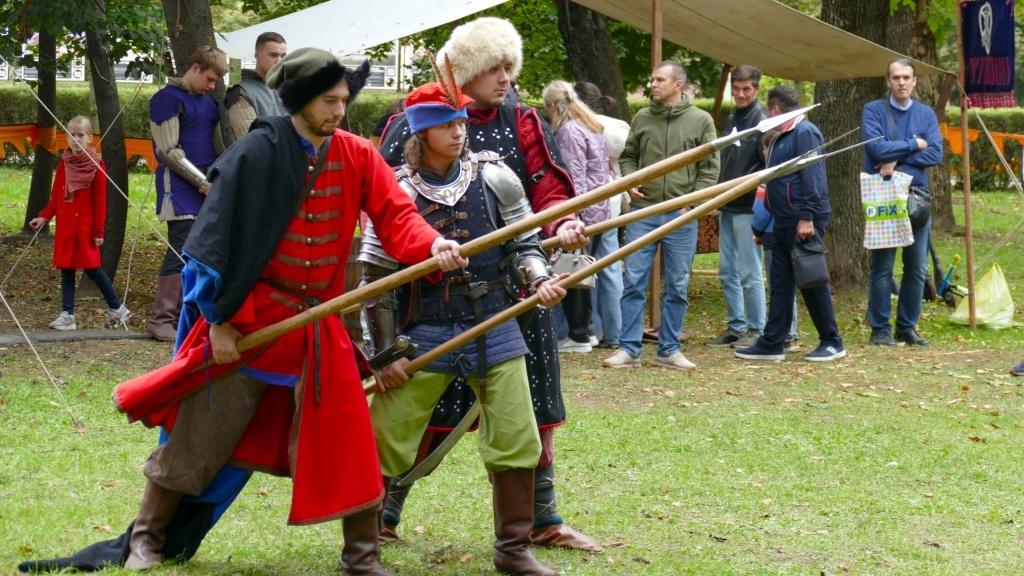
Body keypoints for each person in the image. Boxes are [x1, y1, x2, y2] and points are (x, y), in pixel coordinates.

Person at [108, 48, 466, 574]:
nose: (340, 110)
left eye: (344, 99)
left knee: (350, 440)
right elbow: (214, 239)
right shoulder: (258, 150)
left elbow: (396, 215)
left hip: (318, 327)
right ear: (299, 100)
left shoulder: (358, 155)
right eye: (328, 100)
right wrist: (222, 320)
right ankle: (148, 540)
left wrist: (431, 246)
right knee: (197, 435)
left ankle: (361, 557)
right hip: (251, 319)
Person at [376, 17, 602, 553]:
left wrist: (561, 223)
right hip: (430, 296)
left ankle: (540, 520)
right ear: (468, 71)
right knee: (415, 404)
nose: (505, 77)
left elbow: (545, 186)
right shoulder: (412, 119)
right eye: (494, 68)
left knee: (535, 403)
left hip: (516, 287)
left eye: (509, 67)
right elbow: (385, 201)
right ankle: (384, 512)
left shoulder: (521, 120)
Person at [364, 78, 568, 576]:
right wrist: (386, 354)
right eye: (446, 125)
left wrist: (538, 279)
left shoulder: (496, 178)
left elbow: (524, 247)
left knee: (518, 435)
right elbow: (373, 280)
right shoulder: (396, 191)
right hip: (425, 330)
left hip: (495, 323)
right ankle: (363, 548)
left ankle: (513, 549)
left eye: (461, 123)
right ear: (421, 134)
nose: (459, 132)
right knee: (382, 437)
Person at [603, 61, 720, 371]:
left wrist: (693, 205)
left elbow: (710, 168)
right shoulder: (642, 117)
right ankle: (629, 349)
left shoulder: (701, 120)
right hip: (643, 212)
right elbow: (628, 157)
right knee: (633, 281)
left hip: (682, 216)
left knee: (679, 284)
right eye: (652, 79)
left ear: (678, 85)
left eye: (659, 80)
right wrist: (631, 180)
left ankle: (669, 349)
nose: (653, 85)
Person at [735, 85, 845, 362]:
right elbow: (775, 182)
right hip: (782, 221)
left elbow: (813, 175)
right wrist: (762, 228)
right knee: (781, 283)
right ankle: (773, 342)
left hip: (803, 220)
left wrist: (807, 216)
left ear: (775, 110)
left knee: (812, 279)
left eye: (767, 113)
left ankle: (832, 341)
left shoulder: (805, 133)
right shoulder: (778, 138)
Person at [146, 46, 226, 341]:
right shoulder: (166, 99)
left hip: (208, 186)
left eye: (216, 81)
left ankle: (185, 319)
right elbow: (167, 151)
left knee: (200, 253)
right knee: (181, 251)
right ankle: (161, 319)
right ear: (194, 67)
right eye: (209, 78)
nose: (212, 86)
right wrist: (203, 183)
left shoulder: (208, 104)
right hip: (178, 186)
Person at [862, 58, 943, 346]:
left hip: (917, 198)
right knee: (882, 267)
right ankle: (880, 329)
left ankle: (907, 328)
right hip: (884, 197)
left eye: (906, 77)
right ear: (888, 81)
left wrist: (895, 158)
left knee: (916, 267)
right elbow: (875, 148)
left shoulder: (925, 114)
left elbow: (935, 154)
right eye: (895, 77)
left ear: (914, 81)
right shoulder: (873, 111)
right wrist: (914, 144)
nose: (901, 82)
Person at [29, 115, 130, 331]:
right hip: (66, 227)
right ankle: (68, 315)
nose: (75, 139)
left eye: (80, 135)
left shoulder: (97, 166)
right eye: (71, 135)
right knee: (66, 269)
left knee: (93, 269)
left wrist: (99, 230)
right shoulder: (64, 163)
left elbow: (101, 202)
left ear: (90, 138)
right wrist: (44, 216)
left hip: (84, 228)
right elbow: (57, 195)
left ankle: (117, 308)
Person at [543, 79, 611, 354]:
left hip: (582, 214)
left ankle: (579, 334)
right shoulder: (591, 125)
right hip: (599, 211)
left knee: (571, 272)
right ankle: (587, 332)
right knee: (582, 271)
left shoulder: (569, 131)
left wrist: (571, 217)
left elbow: (575, 180)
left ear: (552, 106)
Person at [705, 65, 767, 349]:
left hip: (747, 206)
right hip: (726, 204)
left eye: (746, 89)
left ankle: (756, 329)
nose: (741, 94)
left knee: (749, 270)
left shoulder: (762, 120)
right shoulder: (734, 117)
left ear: (756, 89)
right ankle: (736, 326)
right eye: (736, 89)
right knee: (727, 269)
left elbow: (765, 166)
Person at [573, 81, 628, 348]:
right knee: (611, 266)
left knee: (587, 266)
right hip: (613, 201)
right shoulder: (617, 128)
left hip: (593, 203)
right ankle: (615, 331)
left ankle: (594, 330)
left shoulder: (582, 126)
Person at [752, 130, 800, 351]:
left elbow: (762, 211)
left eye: (764, 148)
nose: (762, 152)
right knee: (788, 284)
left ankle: (786, 333)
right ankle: (790, 330)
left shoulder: (768, 177)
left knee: (778, 286)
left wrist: (757, 231)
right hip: (789, 233)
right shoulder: (792, 173)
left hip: (772, 236)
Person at [225, 31, 288, 141]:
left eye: (283, 56)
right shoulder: (241, 93)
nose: (279, 61)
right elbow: (251, 142)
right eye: (273, 55)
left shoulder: (291, 88)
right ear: (257, 55)